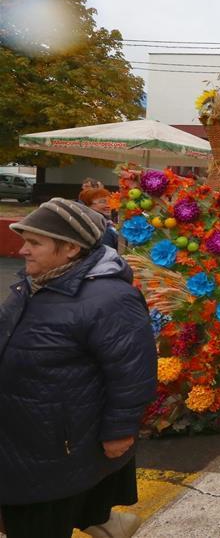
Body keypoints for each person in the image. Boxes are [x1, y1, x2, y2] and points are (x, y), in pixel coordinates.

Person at [0, 198, 157, 538]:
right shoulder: (34, 284)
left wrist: (120, 431)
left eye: (35, 242)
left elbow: (132, 373)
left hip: (56, 444)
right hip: (21, 432)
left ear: (71, 248)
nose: (23, 250)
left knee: (37, 520)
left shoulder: (109, 299)